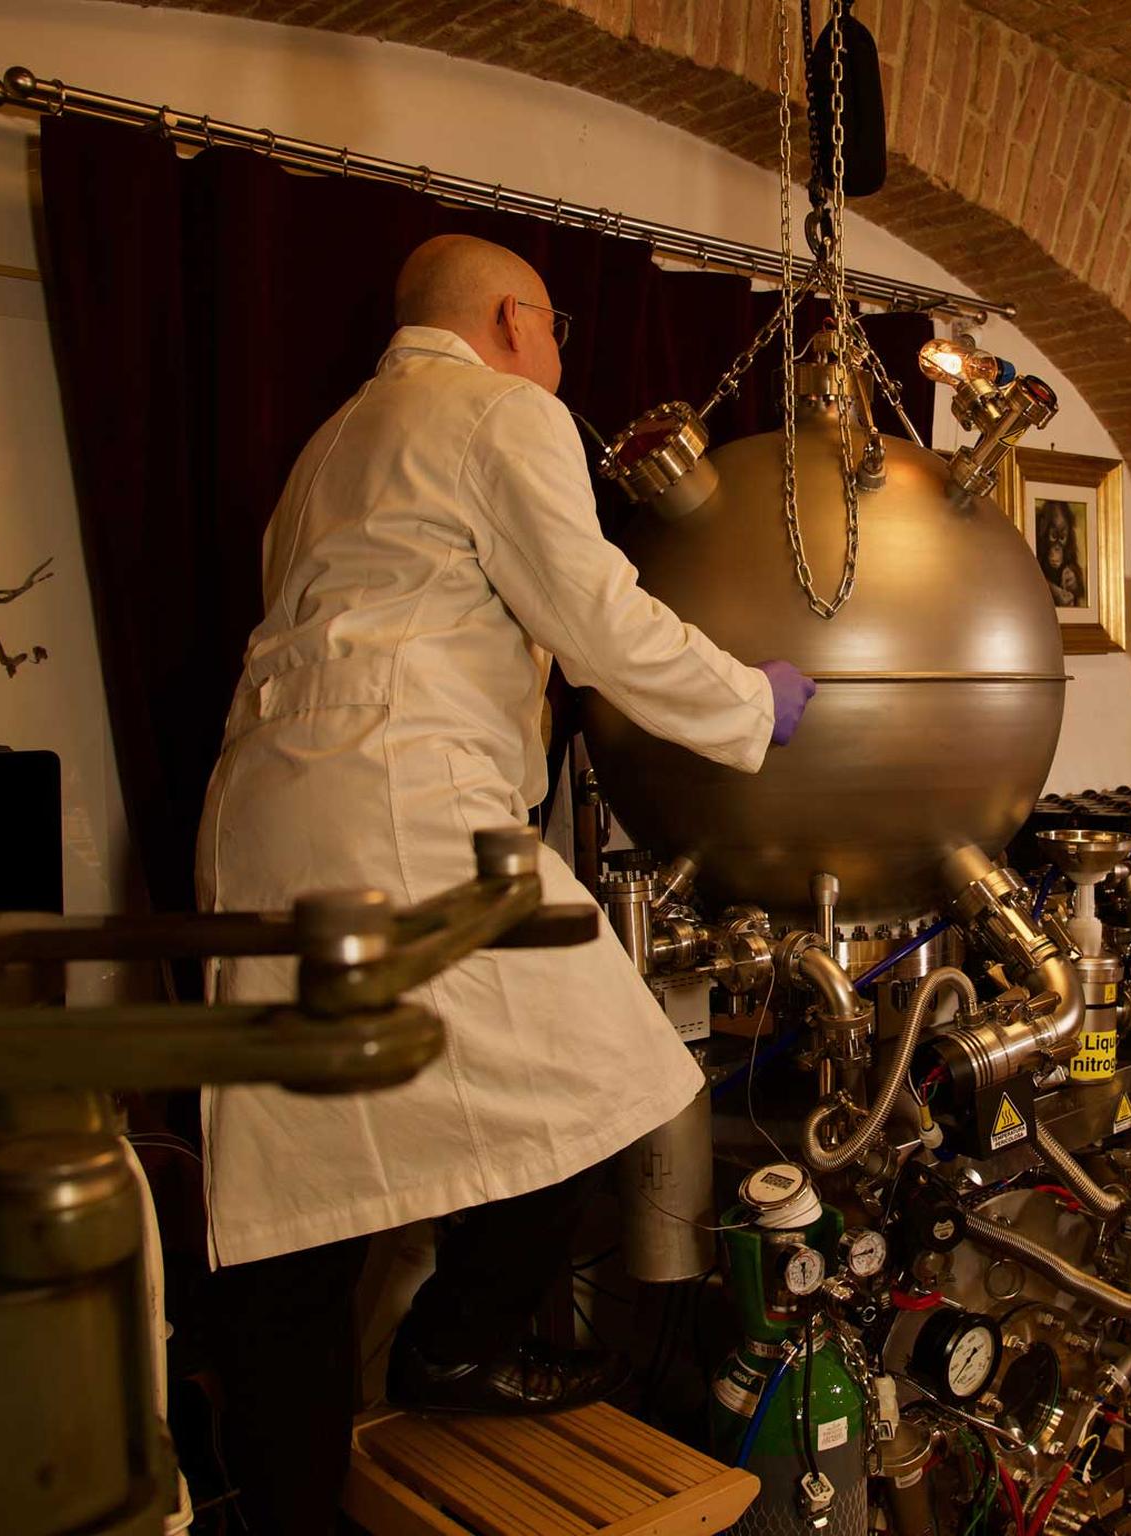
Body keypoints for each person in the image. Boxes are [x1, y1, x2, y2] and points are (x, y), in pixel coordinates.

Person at [196, 233, 817, 1536]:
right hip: (403, 807)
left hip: (261, 822)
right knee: (616, 1068)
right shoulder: (496, 411)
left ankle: (285, 1510)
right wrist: (747, 703)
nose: (560, 360)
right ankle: (459, 1347)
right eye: (557, 333)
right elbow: (594, 615)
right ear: (510, 319)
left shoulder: (329, 449)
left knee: (298, 1208)